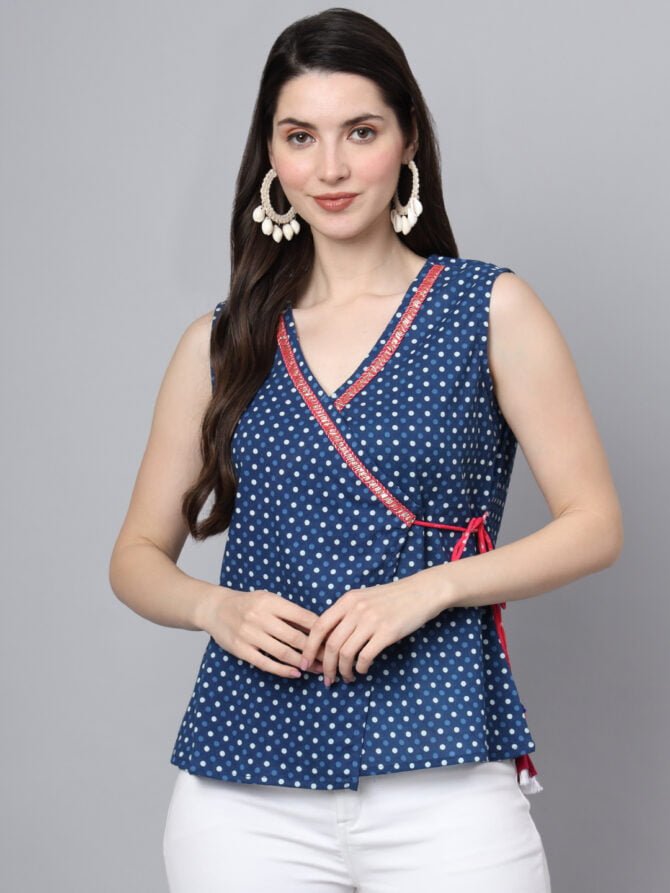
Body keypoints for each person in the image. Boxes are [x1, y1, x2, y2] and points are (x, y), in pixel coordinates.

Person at [109, 8, 623, 892]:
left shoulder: (488, 309)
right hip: (245, 785)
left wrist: (432, 587)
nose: (331, 169)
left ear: (408, 137)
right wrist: (213, 608)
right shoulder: (222, 342)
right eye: (300, 137)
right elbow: (135, 557)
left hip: (443, 767)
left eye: (361, 131)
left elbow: (595, 523)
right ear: (270, 155)